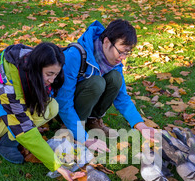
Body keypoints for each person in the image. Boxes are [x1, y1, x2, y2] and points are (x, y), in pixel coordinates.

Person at [0, 42, 84, 181]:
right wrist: (58, 166)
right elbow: (25, 129)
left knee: (52, 107)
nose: (52, 80)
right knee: (30, 122)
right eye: (49, 74)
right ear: (37, 68)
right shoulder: (5, 86)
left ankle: (13, 137)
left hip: (13, 106)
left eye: (55, 74)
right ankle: (7, 144)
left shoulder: (28, 59)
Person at [55, 19, 157, 153]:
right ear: (107, 42)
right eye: (121, 51)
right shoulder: (75, 55)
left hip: (83, 102)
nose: (123, 57)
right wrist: (84, 138)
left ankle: (93, 120)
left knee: (115, 78)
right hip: (60, 109)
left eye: (127, 53)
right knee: (97, 83)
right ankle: (70, 128)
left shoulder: (114, 62)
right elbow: (63, 101)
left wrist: (140, 125)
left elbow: (122, 97)